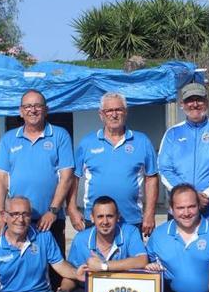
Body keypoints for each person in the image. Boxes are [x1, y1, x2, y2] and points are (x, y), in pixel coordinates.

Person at [0, 89, 74, 253]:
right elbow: (1, 179)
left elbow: (67, 177)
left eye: (37, 105)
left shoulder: (60, 135)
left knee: (55, 270)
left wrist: (53, 211)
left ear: (46, 109)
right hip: (17, 218)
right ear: (21, 111)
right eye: (28, 106)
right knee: (21, 267)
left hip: (50, 218)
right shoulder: (9, 138)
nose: (33, 110)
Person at [68, 92, 159, 237]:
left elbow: (152, 178)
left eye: (118, 110)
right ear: (101, 114)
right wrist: (72, 209)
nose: (114, 114)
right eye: (109, 110)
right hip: (95, 219)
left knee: (133, 260)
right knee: (95, 260)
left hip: (131, 219)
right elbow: (74, 178)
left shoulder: (142, 141)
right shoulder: (87, 143)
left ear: (126, 112)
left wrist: (149, 213)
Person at [52, 196, 149, 292]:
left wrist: (103, 266)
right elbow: (72, 274)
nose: (105, 221)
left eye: (110, 216)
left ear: (118, 217)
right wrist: (63, 290)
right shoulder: (81, 239)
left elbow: (142, 260)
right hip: (90, 290)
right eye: (100, 216)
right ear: (92, 218)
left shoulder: (130, 231)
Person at [158, 83, 209, 225]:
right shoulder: (172, 133)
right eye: (189, 100)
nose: (194, 104)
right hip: (181, 212)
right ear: (182, 104)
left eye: (199, 99)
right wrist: (188, 197)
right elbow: (164, 169)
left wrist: (206, 194)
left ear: (206, 102)